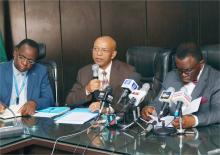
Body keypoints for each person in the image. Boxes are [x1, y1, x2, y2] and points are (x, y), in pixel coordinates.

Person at [141, 42, 220, 128]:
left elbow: (218, 112)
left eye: (188, 71)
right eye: (179, 70)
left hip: (204, 136)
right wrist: (150, 110)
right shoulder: (171, 76)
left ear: (201, 64)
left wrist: (194, 120)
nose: (183, 75)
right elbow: (159, 104)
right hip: (172, 134)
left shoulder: (216, 79)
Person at [66, 36, 139, 113]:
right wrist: (87, 89)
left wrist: (107, 109)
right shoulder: (84, 72)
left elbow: (131, 102)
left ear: (113, 54)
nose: (98, 53)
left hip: (115, 119)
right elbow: (70, 101)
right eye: (95, 49)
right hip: (91, 119)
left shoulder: (127, 71)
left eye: (104, 50)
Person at [0, 39, 54, 116]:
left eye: (30, 61)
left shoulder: (41, 71)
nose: (25, 63)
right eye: (21, 57)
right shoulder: (1, 70)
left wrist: (35, 103)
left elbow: (49, 99)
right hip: (5, 119)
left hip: (29, 118)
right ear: (15, 52)